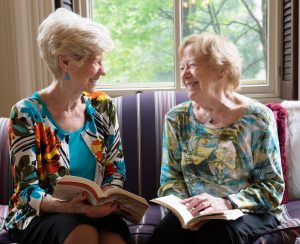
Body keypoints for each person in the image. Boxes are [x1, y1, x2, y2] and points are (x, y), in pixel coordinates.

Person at [5, 8, 131, 244]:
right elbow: (27, 190)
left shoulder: (102, 106)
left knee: (114, 239)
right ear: (65, 61)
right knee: (83, 234)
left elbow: (116, 169)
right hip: (42, 213)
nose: (103, 70)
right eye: (97, 61)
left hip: (95, 211)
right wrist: (73, 208)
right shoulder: (26, 112)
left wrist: (102, 203)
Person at [149, 32, 285, 243]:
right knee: (165, 233)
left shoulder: (256, 118)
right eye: (182, 67)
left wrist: (226, 203)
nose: (184, 75)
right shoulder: (177, 119)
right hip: (195, 212)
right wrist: (189, 210)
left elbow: (272, 187)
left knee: (218, 234)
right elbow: (170, 179)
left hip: (249, 212)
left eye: (192, 65)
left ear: (221, 70)